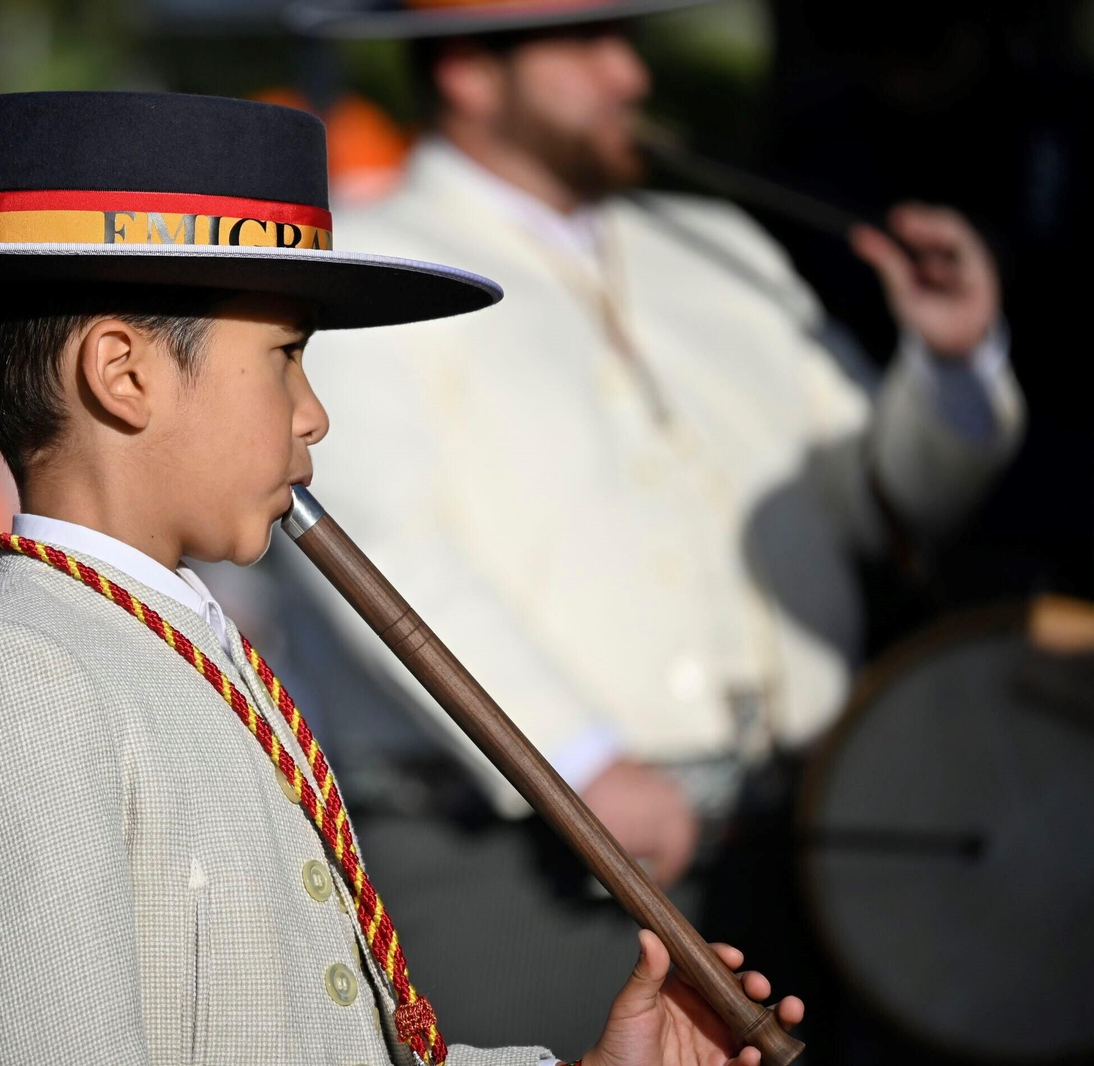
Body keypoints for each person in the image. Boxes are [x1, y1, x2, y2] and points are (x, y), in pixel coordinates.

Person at [0, 90, 801, 1066]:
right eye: (285, 358)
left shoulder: (191, 647)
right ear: (123, 376)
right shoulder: (18, 684)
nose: (313, 412)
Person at [282, 0, 1025, 1053]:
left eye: (626, 41)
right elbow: (384, 553)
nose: (631, 76)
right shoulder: (366, 265)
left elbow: (879, 498)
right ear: (465, 70)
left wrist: (952, 366)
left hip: (796, 840)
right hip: (515, 864)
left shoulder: (720, 247)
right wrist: (576, 765)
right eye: (586, 45)